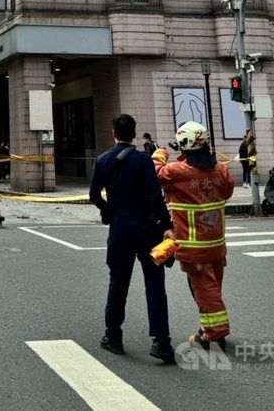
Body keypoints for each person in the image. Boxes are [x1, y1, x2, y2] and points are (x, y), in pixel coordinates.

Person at [89, 114, 176, 364]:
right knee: (155, 283)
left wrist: (107, 210)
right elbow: (156, 198)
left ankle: (113, 337)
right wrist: (167, 226)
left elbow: (94, 194)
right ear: (134, 134)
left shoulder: (103, 160)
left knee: (118, 283)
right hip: (147, 229)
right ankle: (161, 342)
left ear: (114, 133)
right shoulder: (144, 161)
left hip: (120, 230)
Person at [152, 121, 234, 350]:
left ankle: (214, 332)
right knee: (213, 285)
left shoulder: (177, 171)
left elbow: (156, 174)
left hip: (192, 244)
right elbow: (227, 192)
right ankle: (206, 327)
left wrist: (159, 154)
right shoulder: (222, 170)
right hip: (216, 242)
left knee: (204, 288)